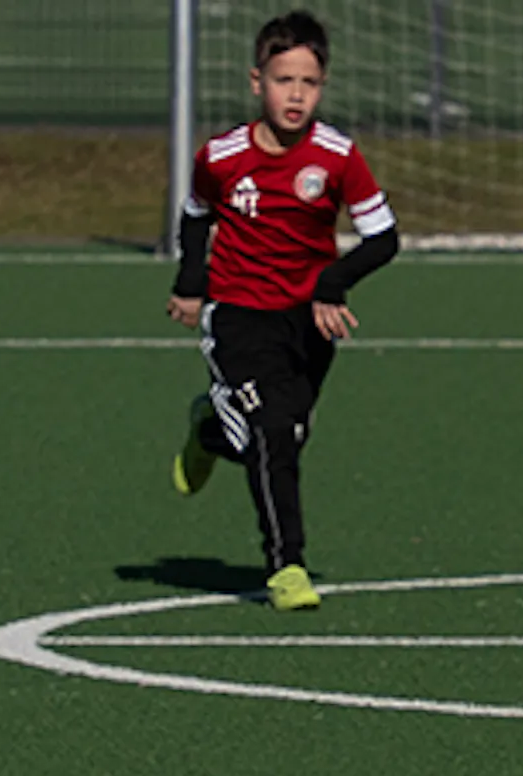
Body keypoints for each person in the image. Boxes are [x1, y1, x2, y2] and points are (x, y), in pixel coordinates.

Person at [167, 10, 400, 612]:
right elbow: (195, 218)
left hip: (308, 320)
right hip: (239, 313)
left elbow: (383, 237)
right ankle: (287, 566)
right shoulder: (220, 157)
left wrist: (332, 283)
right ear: (256, 81)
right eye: (283, 80)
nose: (295, 95)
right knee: (272, 429)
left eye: (309, 83)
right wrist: (191, 285)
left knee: (284, 437)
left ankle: (209, 432)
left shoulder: (338, 156)